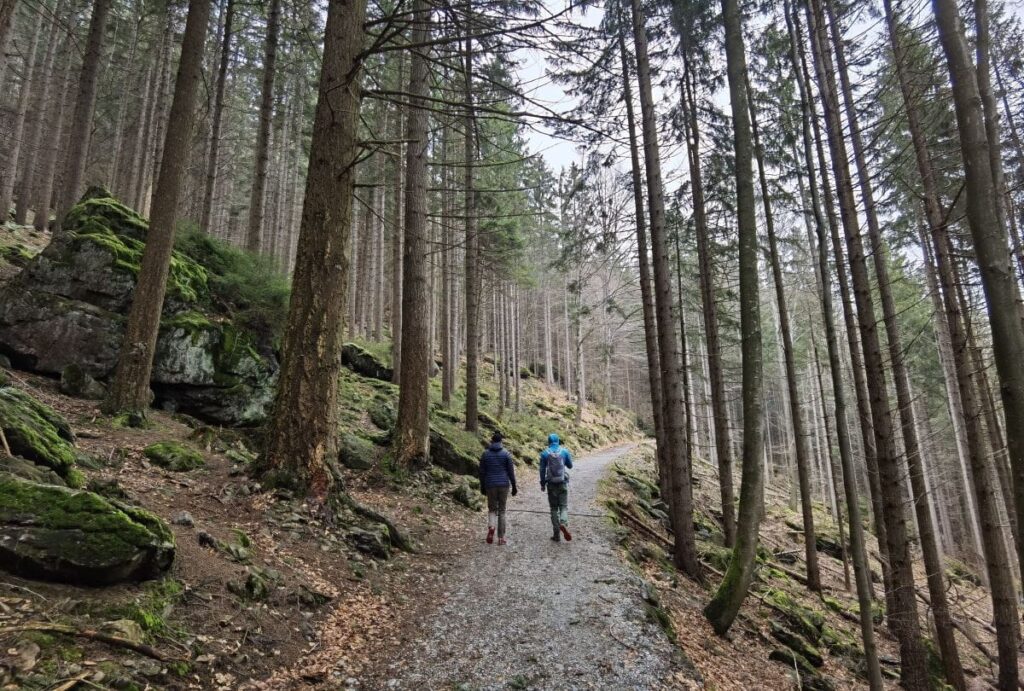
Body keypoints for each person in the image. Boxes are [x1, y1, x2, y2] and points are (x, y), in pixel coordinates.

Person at [478, 431, 517, 545]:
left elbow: (481, 472)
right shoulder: (506, 454)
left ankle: (491, 528)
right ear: (501, 442)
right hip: (503, 485)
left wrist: (482, 486)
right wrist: (514, 486)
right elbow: (511, 472)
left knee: (492, 509)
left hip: (490, 484)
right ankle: (501, 538)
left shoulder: (485, 454)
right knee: (502, 511)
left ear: (491, 441)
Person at [539, 433, 573, 542]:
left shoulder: (544, 453)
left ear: (549, 442)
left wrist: (542, 483)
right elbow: (570, 466)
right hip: (562, 482)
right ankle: (563, 522)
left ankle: (556, 535)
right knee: (563, 506)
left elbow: (542, 470)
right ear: (558, 441)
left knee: (553, 509)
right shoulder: (564, 451)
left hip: (551, 484)